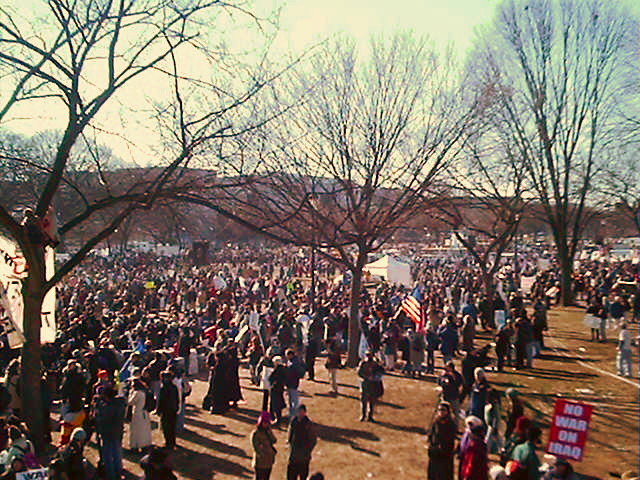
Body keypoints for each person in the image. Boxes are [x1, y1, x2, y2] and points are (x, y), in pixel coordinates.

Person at [94, 386, 125, 480]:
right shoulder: (120, 404)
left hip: (107, 431)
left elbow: (100, 418)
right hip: (117, 431)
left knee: (107, 454)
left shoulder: (106, 407)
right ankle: (118, 473)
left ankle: (111, 475)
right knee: (117, 453)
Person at [427, 402, 457, 480]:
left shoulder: (450, 424)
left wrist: (442, 448)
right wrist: (431, 446)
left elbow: (450, 440)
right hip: (434, 454)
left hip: (445, 455)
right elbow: (431, 435)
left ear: (447, 411)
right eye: (439, 410)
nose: (441, 412)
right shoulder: (436, 422)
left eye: (443, 410)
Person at [287, 405, 317, 480]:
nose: (300, 413)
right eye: (299, 412)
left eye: (302, 412)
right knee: (291, 476)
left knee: (303, 476)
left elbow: (313, 440)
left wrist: (307, 450)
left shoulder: (308, 424)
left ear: (305, 412)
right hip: (294, 456)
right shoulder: (293, 422)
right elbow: (290, 435)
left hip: (304, 457)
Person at [128, 370, 153, 453]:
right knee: (144, 430)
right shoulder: (144, 391)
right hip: (144, 412)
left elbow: (130, 402)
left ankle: (135, 445)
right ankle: (145, 444)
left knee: (136, 430)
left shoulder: (137, 393)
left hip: (137, 413)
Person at [357, 351, 384, 422]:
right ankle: (363, 415)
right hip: (365, 383)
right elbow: (359, 373)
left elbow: (381, 371)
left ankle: (370, 416)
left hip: (372, 383)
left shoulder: (375, 364)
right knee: (364, 400)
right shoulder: (363, 363)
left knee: (372, 400)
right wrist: (366, 377)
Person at [156, 371, 179, 449]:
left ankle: (168, 442)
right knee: (172, 426)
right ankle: (172, 442)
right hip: (173, 409)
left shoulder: (164, 388)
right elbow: (177, 399)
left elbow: (161, 400)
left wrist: (158, 410)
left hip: (166, 410)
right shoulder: (174, 387)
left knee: (166, 427)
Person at [251, 412, 277, 480]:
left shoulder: (268, 431)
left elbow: (274, 440)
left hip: (268, 461)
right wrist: (262, 453)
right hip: (260, 463)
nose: (266, 424)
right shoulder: (256, 433)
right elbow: (256, 447)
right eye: (264, 422)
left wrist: (270, 433)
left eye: (267, 423)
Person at [438, 362, 463, 426]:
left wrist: (452, 379)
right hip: (445, 395)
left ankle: (456, 426)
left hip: (454, 396)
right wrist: (443, 380)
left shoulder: (456, 375)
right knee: (443, 410)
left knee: (456, 412)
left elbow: (459, 383)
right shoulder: (444, 374)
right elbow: (439, 382)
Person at [285, 349, 306, 420]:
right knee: (291, 400)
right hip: (291, 383)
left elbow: (293, 372)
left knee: (294, 400)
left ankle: (295, 415)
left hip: (292, 383)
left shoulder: (294, 363)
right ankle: (291, 414)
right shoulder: (293, 361)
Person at [268, 356, 287, 425]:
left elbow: (271, 378)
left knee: (275, 404)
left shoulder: (277, 370)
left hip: (276, 388)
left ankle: (277, 419)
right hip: (280, 388)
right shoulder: (284, 369)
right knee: (278, 403)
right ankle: (277, 417)